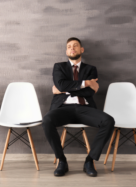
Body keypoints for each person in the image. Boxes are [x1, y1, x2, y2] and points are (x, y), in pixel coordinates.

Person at [42, 37, 115, 177]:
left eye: (75, 45)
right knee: (47, 121)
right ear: (66, 51)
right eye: (69, 46)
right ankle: (62, 160)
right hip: (63, 108)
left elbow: (89, 92)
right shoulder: (59, 67)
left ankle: (89, 160)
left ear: (82, 50)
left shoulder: (91, 69)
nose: (72, 48)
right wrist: (85, 83)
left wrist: (65, 88)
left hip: (85, 108)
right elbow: (61, 85)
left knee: (108, 121)